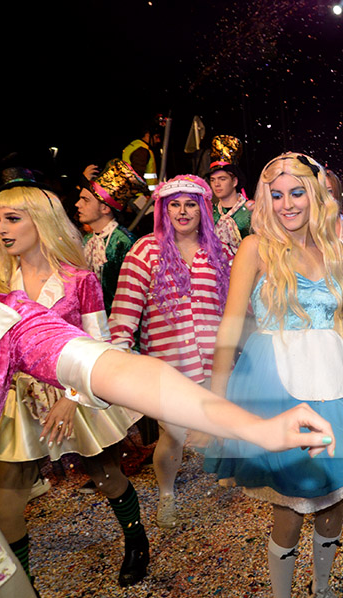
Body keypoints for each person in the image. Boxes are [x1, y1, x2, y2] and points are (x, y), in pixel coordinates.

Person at [0, 273, 335, 598]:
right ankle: (161, 500)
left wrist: (258, 428)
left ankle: (136, 537)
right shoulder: (142, 254)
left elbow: (120, 369)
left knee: (107, 474)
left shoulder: (5, 317)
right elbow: (123, 324)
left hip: (180, 372)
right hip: (161, 364)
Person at [203, 152, 343, 598]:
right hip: (276, 383)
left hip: (333, 383)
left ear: (315, 196)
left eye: (297, 192)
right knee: (291, 508)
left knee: (334, 501)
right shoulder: (255, 247)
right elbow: (230, 325)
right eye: (277, 194)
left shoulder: (331, 249)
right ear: (267, 199)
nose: (288, 204)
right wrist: (216, 396)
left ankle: (322, 589)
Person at [0, 181, 148, 588]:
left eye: (12, 218)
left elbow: (100, 346)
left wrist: (72, 399)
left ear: (40, 222)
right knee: (3, 505)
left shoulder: (80, 280)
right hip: (15, 402)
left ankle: (136, 541)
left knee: (108, 477)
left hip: (74, 393)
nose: (1, 228)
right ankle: (22, 588)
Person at [109, 175, 230, 529]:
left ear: (203, 209)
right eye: (174, 204)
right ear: (163, 209)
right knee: (173, 434)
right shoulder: (145, 250)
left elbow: (235, 307)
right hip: (167, 364)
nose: (182, 211)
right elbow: (125, 311)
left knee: (217, 424)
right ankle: (166, 494)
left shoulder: (219, 252)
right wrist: (118, 357)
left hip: (213, 360)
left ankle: (223, 473)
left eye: (190, 204)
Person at [76, 159, 145, 313]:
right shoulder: (88, 240)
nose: (77, 204)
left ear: (105, 208)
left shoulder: (123, 242)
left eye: (85, 200)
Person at [206, 135, 253, 255]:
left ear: (234, 181)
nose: (216, 184)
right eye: (213, 180)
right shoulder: (211, 212)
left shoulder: (251, 210)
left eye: (222, 179)